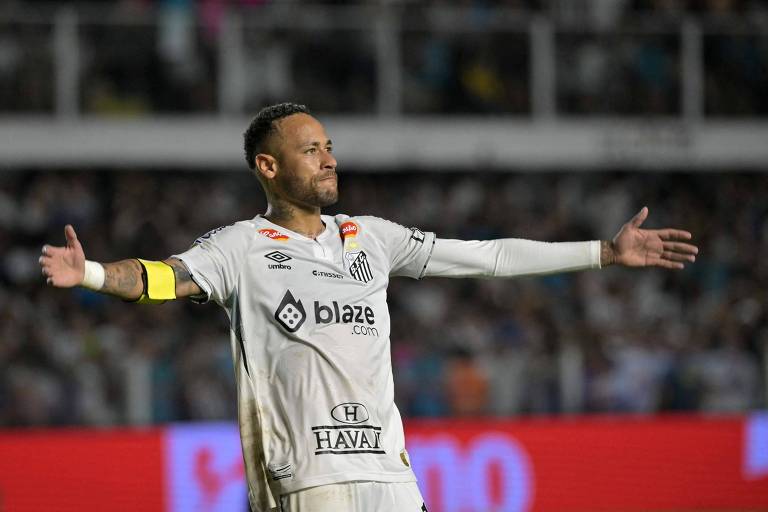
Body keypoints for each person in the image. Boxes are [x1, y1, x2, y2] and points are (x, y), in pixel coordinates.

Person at [38, 102, 698, 512]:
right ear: (268, 167)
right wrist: (93, 272)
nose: (329, 158)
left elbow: (487, 256)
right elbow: (164, 278)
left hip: (390, 476)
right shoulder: (239, 247)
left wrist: (603, 254)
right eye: (311, 149)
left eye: (328, 146)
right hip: (307, 483)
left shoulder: (371, 237)